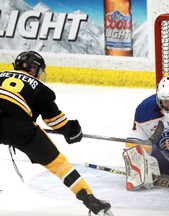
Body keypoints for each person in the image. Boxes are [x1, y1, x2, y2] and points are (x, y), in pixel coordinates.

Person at [0, 51, 112, 215]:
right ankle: (91, 202)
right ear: (34, 70)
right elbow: (55, 121)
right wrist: (71, 130)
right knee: (59, 165)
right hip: (20, 129)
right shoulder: (40, 88)